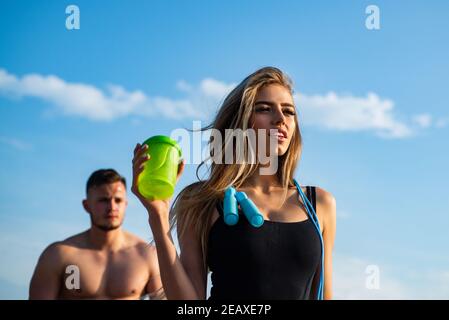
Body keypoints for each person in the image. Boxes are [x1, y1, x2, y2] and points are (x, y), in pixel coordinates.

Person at [131, 67, 337, 300]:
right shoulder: (202, 200)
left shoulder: (319, 203)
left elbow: (324, 295)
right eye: (264, 109)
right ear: (240, 122)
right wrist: (158, 216)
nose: (280, 119)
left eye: (288, 111)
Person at [29, 169, 165, 300]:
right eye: (103, 200)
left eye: (118, 200)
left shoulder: (147, 255)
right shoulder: (59, 255)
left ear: (125, 204)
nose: (112, 207)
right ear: (86, 205)